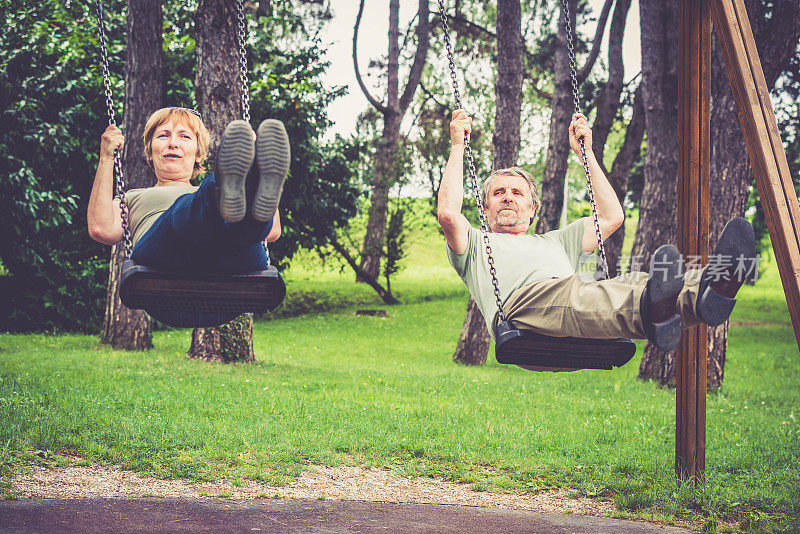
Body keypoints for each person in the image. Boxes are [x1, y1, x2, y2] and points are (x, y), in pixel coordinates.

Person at [437, 109, 757, 369]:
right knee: (587, 294)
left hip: (573, 316)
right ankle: (653, 310)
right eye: (498, 193)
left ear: (532, 208)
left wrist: (586, 154)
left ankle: (711, 293)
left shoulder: (558, 241)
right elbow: (449, 214)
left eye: (516, 192)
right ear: (486, 204)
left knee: (631, 283)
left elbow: (611, 217)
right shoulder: (475, 245)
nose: (507, 198)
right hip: (523, 317)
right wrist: (456, 147)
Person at [87, 107, 290, 324]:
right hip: (164, 269)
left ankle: (255, 177)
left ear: (199, 154)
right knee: (191, 209)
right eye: (163, 135)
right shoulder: (133, 197)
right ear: (150, 151)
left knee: (240, 224)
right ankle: (222, 185)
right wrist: (107, 156)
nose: (173, 143)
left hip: (230, 276)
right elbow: (101, 229)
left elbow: (272, 231)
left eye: (184, 136)